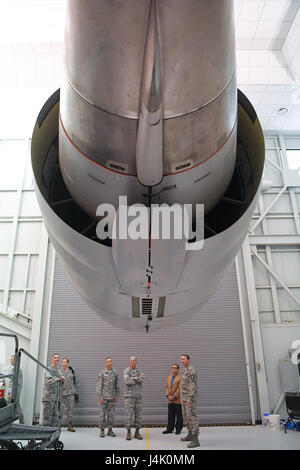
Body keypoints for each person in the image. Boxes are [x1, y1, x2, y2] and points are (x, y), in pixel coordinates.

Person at [96, 357, 120, 438]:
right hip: (104, 398)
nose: (109, 362)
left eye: (110, 361)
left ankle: (110, 430)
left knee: (111, 415)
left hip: (112, 398)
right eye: (108, 361)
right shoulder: (102, 373)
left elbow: (117, 385)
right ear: (106, 363)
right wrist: (100, 396)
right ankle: (102, 430)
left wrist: (117, 395)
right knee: (102, 414)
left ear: (112, 362)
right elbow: (99, 385)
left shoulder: (115, 373)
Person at [180, 354, 200, 448]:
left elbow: (192, 386)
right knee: (186, 417)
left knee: (192, 417)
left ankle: (196, 440)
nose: (182, 361)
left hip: (189, 399)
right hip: (184, 398)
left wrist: (189, 399)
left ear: (188, 360)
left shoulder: (191, 371)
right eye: (181, 359)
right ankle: (190, 434)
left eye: (184, 359)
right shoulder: (184, 371)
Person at [123, 357, 145, 441]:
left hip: (138, 397)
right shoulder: (126, 370)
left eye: (134, 361)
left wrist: (133, 378)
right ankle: (128, 432)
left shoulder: (139, 371)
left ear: (136, 362)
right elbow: (127, 381)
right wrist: (137, 379)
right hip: (129, 397)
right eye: (131, 361)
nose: (132, 362)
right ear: (129, 362)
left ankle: (137, 432)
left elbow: (143, 378)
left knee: (138, 415)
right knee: (129, 415)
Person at [42, 353, 64, 427]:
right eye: (55, 358)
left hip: (55, 398)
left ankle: (52, 435)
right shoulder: (48, 370)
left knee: (55, 417)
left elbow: (61, 381)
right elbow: (49, 381)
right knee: (47, 417)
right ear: (52, 359)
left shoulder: (58, 371)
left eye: (58, 358)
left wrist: (62, 379)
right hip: (48, 398)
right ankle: (44, 436)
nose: (56, 359)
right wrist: (59, 379)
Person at [162, 364, 183, 435]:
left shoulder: (181, 377)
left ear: (178, 369)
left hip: (177, 400)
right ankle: (169, 429)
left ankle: (178, 429)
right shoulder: (169, 377)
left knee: (179, 415)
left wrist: (174, 396)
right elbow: (167, 387)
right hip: (170, 400)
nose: (174, 369)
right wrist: (168, 395)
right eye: (173, 368)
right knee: (170, 415)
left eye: (175, 368)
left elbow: (180, 388)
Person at [60, 357, 78, 432]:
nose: (64, 363)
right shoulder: (59, 372)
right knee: (60, 409)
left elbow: (76, 381)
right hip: (62, 393)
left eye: (65, 362)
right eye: (63, 362)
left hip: (70, 393)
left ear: (68, 363)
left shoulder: (72, 371)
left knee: (70, 410)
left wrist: (76, 390)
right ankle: (58, 425)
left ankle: (70, 426)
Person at [7, 354, 24, 424]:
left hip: (14, 392)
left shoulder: (17, 369)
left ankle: (22, 422)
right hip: (12, 391)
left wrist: (12, 393)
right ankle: (11, 422)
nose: (10, 361)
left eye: (12, 359)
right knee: (12, 406)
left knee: (16, 406)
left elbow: (17, 383)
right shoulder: (14, 369)